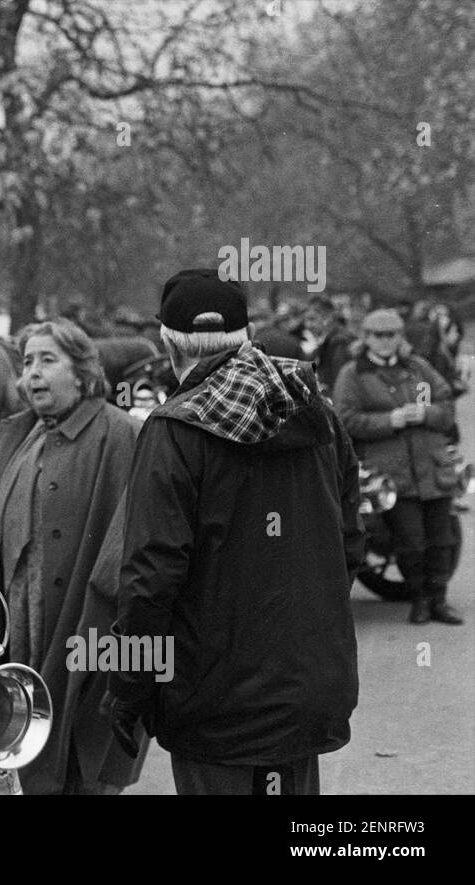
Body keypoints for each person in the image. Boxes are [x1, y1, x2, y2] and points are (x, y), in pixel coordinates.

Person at [103, 267, 363, 795]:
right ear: (245, 338)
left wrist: (127, 688)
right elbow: (349, 541)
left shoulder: (175, 428)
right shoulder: (318, 414)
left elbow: (152, 579)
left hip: (214, 703)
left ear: (168, 344)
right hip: (306, 690)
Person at [0, 318, 141, 794]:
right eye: (27, 362)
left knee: (81, 756)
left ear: (83, 373)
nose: (33, 373)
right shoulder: (19, 433)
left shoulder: (119, 434)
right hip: (21, 622)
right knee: (24, 745)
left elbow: (131, 546)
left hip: (84, 625)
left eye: (48, 360)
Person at [333, 309, 462, 625]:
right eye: (378, 335)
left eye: (392, 335)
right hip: (392, 475)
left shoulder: (419, 368)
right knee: (411, 544)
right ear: (366, 338)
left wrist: (426, 414)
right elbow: (344, 419)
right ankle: (419, 600)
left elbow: (446, 408)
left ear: (400, 337)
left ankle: (439, 601)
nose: (386, 341)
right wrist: (389, 420)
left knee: (441, 540)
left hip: (432, 469)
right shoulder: (353, 374)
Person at [297, 296, 354, 392]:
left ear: (328, 317)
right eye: (305, 320)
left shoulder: (339, 343)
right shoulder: (329, 342)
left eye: (312, 319)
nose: (308, 325)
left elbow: (341, 385)